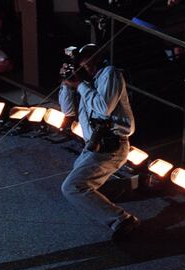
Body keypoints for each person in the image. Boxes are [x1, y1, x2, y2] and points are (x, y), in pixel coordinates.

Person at [58, 44, 140, 241]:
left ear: (97, 58)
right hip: (93, 146)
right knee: (83, 184)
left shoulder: (109, 74)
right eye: (78, 63)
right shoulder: (87, 82)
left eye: (85, 60)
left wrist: (80, 86)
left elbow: (104, 108)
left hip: (111, 145)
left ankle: (122, 220)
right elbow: (67, 110)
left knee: (72, 187)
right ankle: (129, 185)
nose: (83, 66)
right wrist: (66, 84)